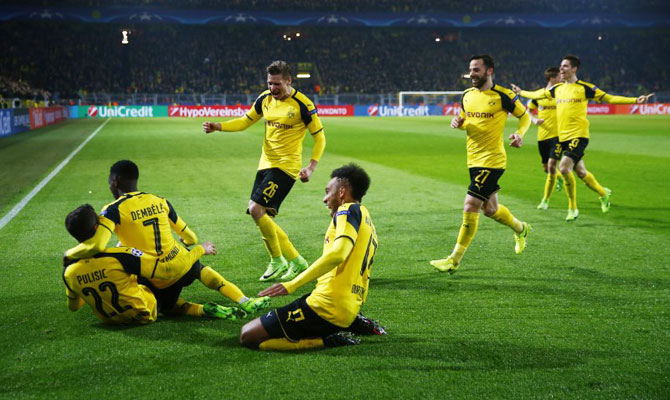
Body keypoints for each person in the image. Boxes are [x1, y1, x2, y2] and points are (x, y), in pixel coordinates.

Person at [64, 160, 270, 315]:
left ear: (115, 181)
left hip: (154, 276)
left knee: (162, 303)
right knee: (198, 267)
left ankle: (201, 310)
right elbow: (190, 237)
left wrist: (69, 254)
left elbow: (98, 244)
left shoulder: (111, 210)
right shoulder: (159, 201)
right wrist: (188, 244)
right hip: (182, 264)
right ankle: (243, 300)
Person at [239, 164, 386, 351]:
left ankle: (327, 340)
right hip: (349, 307)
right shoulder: (368, 221)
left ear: (341, 193)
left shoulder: (346, 210)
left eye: (328, 192)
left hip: (327, 307)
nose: (325, 199)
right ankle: (350, 323)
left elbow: (338, 254)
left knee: (248, 335)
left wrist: (291, 284)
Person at [203, 60, 326, 282]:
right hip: (265, 164)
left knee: (255, 209)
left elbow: (320, 138)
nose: (273, 88)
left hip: (286, 167)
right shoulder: (265, 99)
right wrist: (218, 126)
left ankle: (277, 260)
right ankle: (297, 262)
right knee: (261, 216)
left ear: (288, 81)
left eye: (277, 84)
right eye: (269, 83)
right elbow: (244, 121)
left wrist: (311, 167)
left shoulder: (303, 104)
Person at [511, 55, 654, 221]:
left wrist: (635, 99)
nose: (561, 69)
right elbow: (537, 94)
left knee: (564, 168)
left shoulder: (585, 88)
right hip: (562, 137)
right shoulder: (556, 89)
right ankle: (603, 193)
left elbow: (609, 98)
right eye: (560, 66)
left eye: (565, 66)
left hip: (579, 135)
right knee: (580, 172)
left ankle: (573, 207)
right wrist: (521, 92)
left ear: (574, 68)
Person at [430, 55, 532, 274]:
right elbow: (465, 119)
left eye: (476, 70)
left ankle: (453, 260)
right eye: (470, 70)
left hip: (493, 160)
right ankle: (521, 228)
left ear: (489, 71)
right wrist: (458, 122)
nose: (472, 74)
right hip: (473, 160)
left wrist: (519, 133)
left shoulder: (504, 95)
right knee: (490, 210)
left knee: (470, 205)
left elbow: (526, 117)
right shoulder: (466, 95)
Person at [63, 204, 241, 324]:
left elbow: (74, 307)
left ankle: (202, 308)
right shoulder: (120, 257)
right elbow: (165, 270)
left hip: (110, 321)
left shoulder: (68, 271)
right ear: (97, 227)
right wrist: (199, 250)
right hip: (145, 313)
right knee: (167, 294)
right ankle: (203, 309)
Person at [520, 67, 566, 210]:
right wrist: (534, 120)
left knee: (552, 165)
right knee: (547, 168)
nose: (562, 78)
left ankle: (545, 200)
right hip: (542, 136)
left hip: (558, 136)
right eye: (559, 76)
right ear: (552, 78)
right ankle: (558, 178)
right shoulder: (540, 95)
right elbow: (529, 110)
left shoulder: (562, 93)